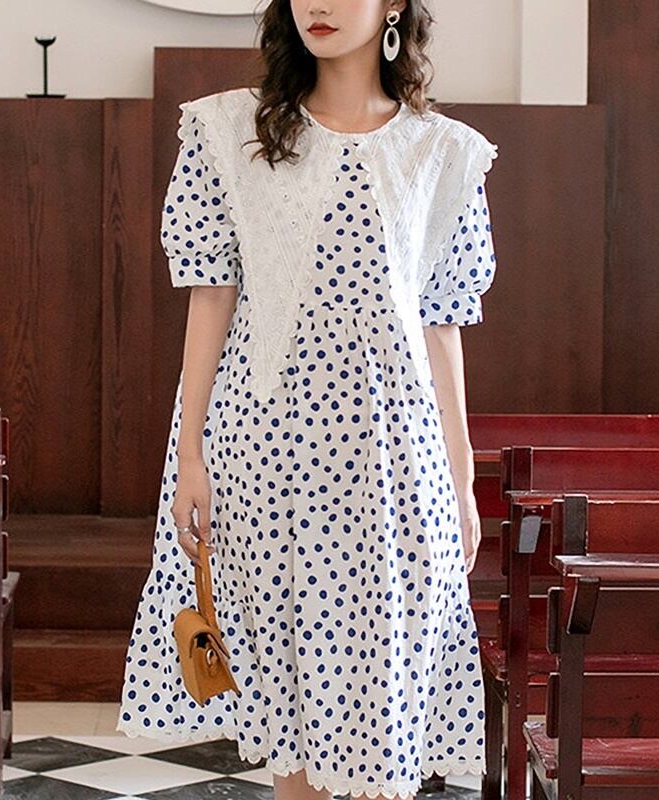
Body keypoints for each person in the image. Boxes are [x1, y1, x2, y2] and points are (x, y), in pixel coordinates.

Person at [117, 2, 499, 798]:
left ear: (394, 6)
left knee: (384, 712)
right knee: (288, 710)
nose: (318, 4)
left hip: (394, 466)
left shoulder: (443, 152)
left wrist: (461, 481)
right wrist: (189, 455)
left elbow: (441, 326)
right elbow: (211, 298)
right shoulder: (230, 132)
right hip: (267, 457)